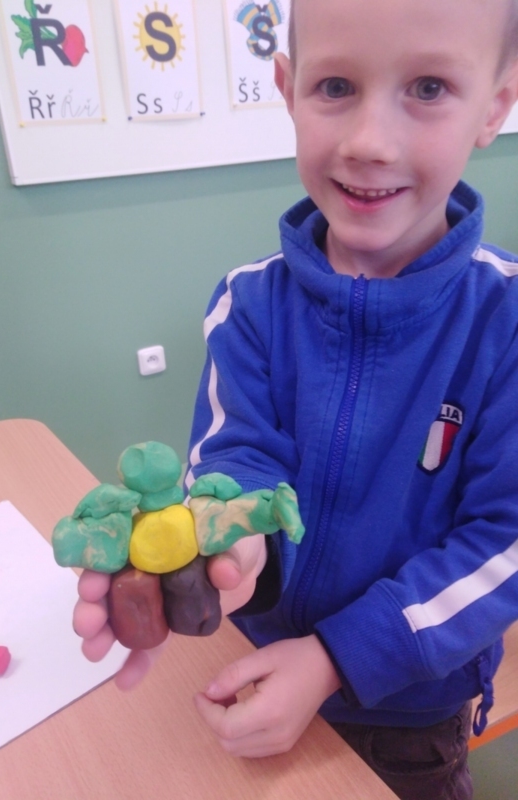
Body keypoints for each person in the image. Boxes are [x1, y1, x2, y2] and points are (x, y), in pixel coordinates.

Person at [74, 1, 518, 796]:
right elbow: (236, 459)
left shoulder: (507, 320)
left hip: (409, 718)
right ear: (287, 89)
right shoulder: (246, 305)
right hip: (245, 667)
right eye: (336, 86)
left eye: (428, 88)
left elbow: (504, 540)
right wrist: (234, 551)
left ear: (494, 106)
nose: (369, 141)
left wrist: (335, 659)